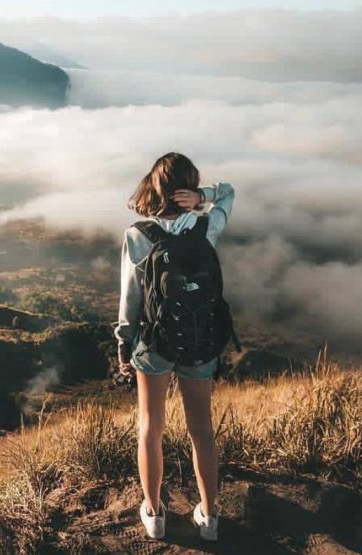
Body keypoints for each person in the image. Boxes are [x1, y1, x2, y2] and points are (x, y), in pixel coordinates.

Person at [115, 152, 235, 542]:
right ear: (187, 187)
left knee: (150, 428)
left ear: (154, 186)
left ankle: (153, 513)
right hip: (200, 341)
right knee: (201, 430)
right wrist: (204, 196)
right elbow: (229, 193)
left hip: (154, 344)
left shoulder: (139, 235)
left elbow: (130, 301)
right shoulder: (205, 227)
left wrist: (123, 347)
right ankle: (210, 516)